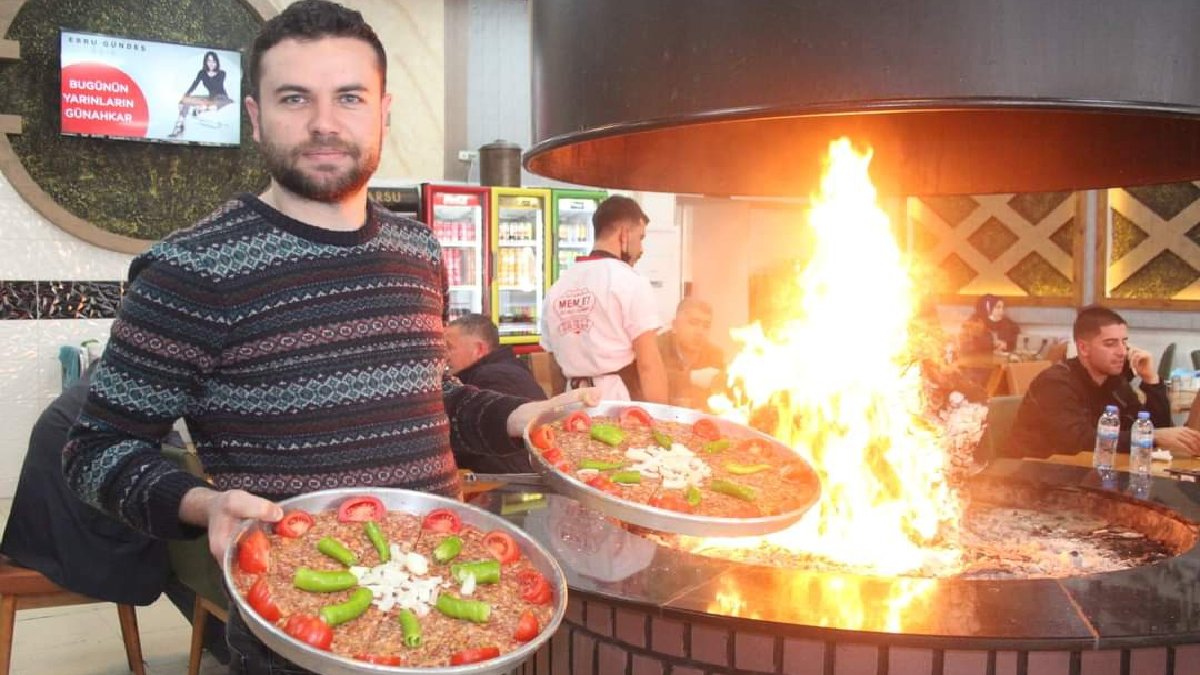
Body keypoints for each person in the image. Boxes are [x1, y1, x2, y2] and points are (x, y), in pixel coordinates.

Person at [63, 3, 591, 672]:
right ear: (254, 115)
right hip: (301, 639)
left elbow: (431, 395)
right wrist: (201, 503)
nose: (323, 123)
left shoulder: (419, 249)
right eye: (294, 98)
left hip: (451, 624)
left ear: (383, 110)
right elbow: (94, 450)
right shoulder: (189, 270)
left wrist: (519, 416)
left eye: (348, 96)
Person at [0, 371, 230, 663]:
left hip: (39, 535)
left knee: (176, 538)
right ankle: (231, 646)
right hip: (66, 544)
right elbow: (170, 456)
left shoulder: (108, 380)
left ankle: (222, 642)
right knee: (181, 548)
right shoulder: (135, 390)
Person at [1002, 305, 1200, 459]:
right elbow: (1077, 442)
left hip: (1088, 477)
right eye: (1110, 343)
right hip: (1036, 480)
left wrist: (1151, 379)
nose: (1122, 351)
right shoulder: (1055, 382)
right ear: (1084, 348)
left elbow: (1155, 425)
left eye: (1124, 341)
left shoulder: (1115, 381)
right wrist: (1152, 437)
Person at [540, 195, 668, 402]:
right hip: (617, 404)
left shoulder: (558, 287)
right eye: (641, 237)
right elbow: (649, 365)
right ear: (625, 233)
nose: (641, 249)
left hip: (571, 401)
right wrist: (664, 423)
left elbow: (554, 364)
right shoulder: (630, 281)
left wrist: (559, 409)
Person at [446, 314, 547, 401]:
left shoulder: (491, 378)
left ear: (479, 349)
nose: (444, 356)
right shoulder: (506, 369)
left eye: (449, 347)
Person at [656, 298, 725, 409]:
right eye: (693, 323)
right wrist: (691, 378)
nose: (700, 332)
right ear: (674, 325)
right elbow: (651, 379)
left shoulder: (715, 355)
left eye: (706, 326)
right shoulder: (657, 347)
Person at [169, 50, 233, 138]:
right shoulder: (202, 73)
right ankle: (180, 126)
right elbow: (194, 84)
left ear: (217, 62)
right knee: (185, 101)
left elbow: (217, 88)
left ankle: (202, 110)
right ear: (206, 62)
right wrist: (186, 95)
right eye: (209, 61)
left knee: (214, 105)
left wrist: (205, 103)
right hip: (210, 98)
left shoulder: (222, 73)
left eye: (213, 61)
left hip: (221, 98)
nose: (211, 63)